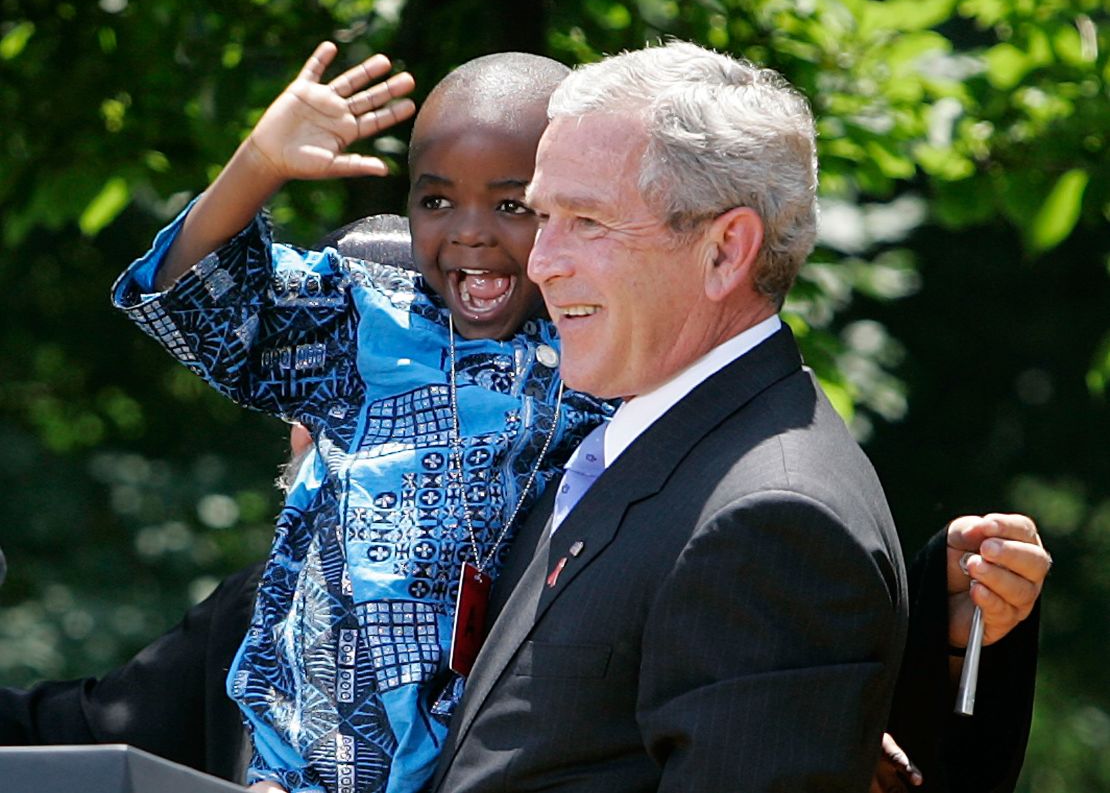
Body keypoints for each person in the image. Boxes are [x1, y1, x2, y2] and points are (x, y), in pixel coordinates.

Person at [5, 218, 1047, 790]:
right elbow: (62, 736)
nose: (369, 428)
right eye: (318, 380)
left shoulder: (608, 571)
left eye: (409, 389)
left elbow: (798, 727)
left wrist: (952, 635)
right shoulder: (262, 615)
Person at [422, 40, 1041, 793]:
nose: (542, 259)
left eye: (587, 221)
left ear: (725, 251)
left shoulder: (773, 522)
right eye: (542, 215)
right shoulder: (629, 448)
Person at [111, 45, 610, 793]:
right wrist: (259, 163)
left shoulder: (608, 348)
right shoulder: (366, 321)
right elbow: (194, 298)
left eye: (512, 205)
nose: (468, 232)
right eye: (436, 200)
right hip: (310, 772)